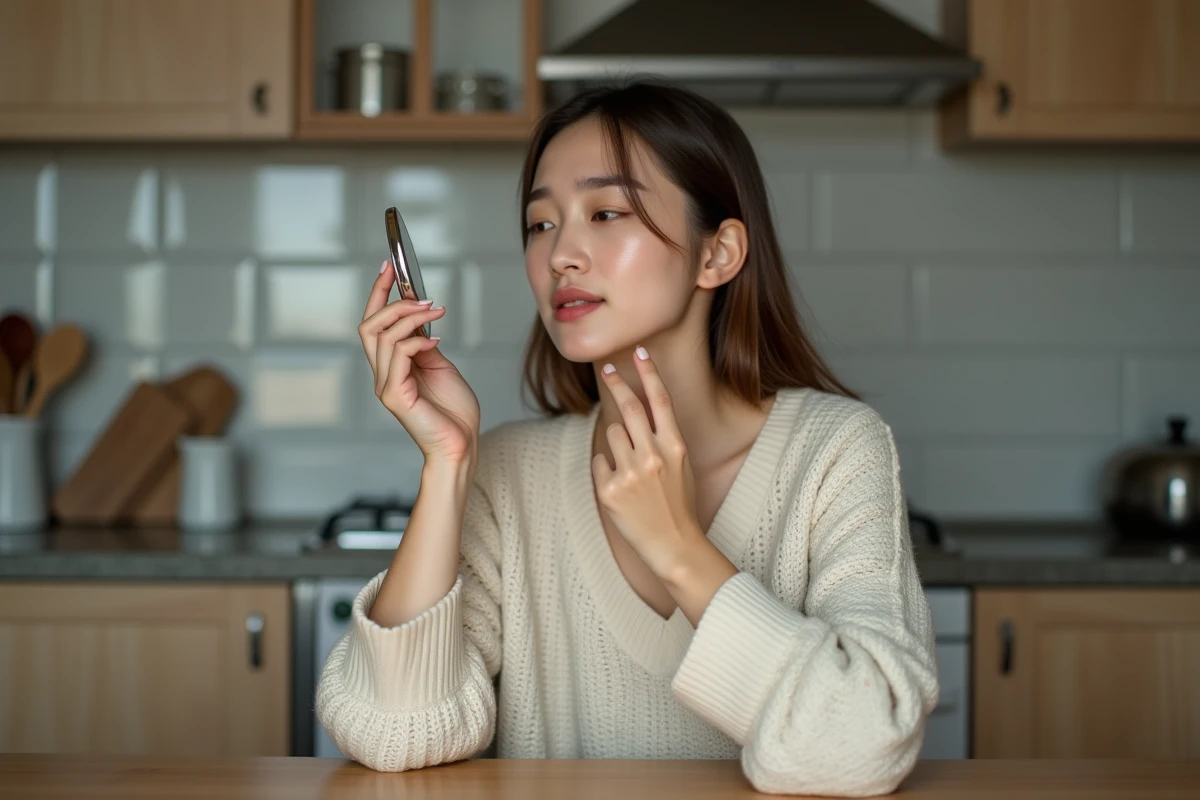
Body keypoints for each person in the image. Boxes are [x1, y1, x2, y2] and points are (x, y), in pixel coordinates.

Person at [316, 80, 939, 797]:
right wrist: (448, 464)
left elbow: (863, 747)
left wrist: (677, 547)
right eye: (540, 224)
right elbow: (393, 735)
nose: (561, 255)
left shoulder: (836, 451)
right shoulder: (511, 473)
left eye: (606, 213)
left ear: (718, 254)